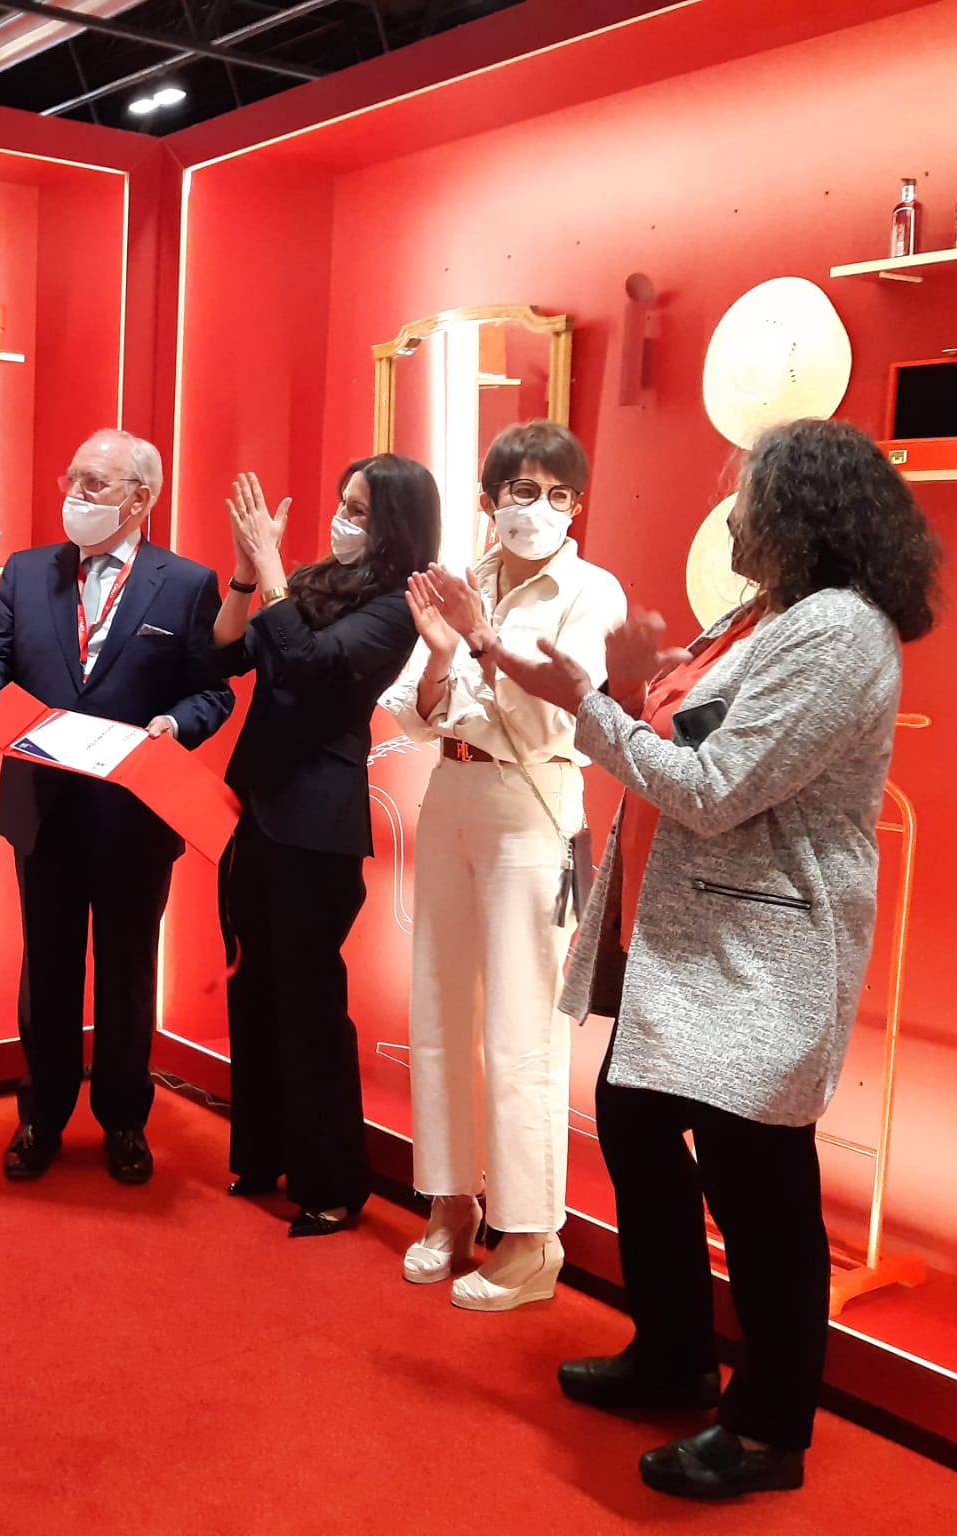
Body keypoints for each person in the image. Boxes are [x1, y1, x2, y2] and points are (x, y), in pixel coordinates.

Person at [494, 417, 940, 1499]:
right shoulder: (761, 613)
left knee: (759, 1189)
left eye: (746, 500)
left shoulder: (837, 631)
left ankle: (768, 1429)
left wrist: (585, 705)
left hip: (762, 951)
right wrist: (627, 687)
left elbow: (712, 787)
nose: (731, 518)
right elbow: (685, 735)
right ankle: (674, 1356)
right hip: (690, 936)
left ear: (799, 516)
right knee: (635, 1122)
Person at [381, 419, 626, 1310]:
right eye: (522, 491)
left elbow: (560, 717)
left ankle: (530, 1236)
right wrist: (449, 654)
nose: (540, 509)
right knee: (438, 1004)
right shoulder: (464, 578)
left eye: (559, 495)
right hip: (452, 792)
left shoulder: (592, 591)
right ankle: (450, 1203)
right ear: (489, 501)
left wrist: (480, 642)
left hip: (538, 807)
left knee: (525, 1024)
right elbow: (411, 709)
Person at [0, 428, 234, 1184]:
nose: (74, 495)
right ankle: (40, 1117)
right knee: (47, 970)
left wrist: (175, 724)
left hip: (134, 815)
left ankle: (124, 1121)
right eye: (72, 479)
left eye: (93, 483)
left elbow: (212, 690)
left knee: (126, 974)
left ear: (140, 498)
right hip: (44, 807)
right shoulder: (26, 571)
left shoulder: (186, 584)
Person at [213, 457, 437, 1237]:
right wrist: (248, 574)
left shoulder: (398, 606)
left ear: (395, 525)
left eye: (360, 509)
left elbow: (310, 667)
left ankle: (333, 1182)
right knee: (254, 986)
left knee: (309, 1002)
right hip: (255, 807)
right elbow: (226, 656)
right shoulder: (310, 581)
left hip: (316, 823)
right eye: (343, 502)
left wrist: (273, 570)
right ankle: (262, 1154)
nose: (343, 518)